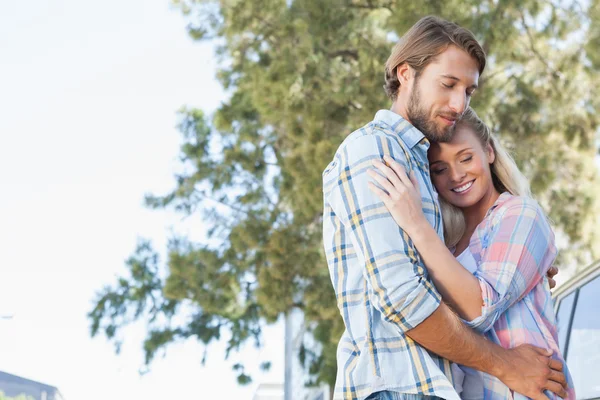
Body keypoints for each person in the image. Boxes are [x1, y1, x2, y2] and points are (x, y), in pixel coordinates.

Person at [322, 15, 567, 400]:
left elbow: (450, 283)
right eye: (448, 84)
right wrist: (504, 364)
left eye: (468, 91)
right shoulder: (375, 151)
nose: (458, 103)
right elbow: (401, 296)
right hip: (398, 388)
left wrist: (529, 272)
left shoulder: (421, 160)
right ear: (406, 74)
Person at [368, 107, 575, 399]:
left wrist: (415, 222)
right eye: (440, 169)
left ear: (488, 151)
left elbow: (481, 309)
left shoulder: (520, 213)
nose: (456, 175)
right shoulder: (447, 245)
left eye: (466, 157)